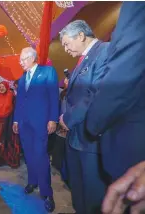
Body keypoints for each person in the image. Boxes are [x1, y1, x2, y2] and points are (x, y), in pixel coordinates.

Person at [85, 2, 145, 184]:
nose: (65, 48)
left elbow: (124, 70)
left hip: (131, 148)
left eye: (66, 43)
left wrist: (94, 123)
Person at [58, 20, 110, 214]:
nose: (65, 49)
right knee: (78, 194)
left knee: (93, 198)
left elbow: (95, 94)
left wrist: (67, 119)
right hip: (76, 139)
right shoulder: (83, 59)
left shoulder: (105, 51)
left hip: (91, 141)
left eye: (66, 43)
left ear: (80, 36)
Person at [13, 47, 59, 212]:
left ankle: (47, 192)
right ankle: (32, 181)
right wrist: (16, 120)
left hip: (41, 123)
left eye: (23, 59)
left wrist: (53, 118)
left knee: (41, 155)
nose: (20, 62)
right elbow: (19, 102)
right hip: (24, 124)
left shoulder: (48, 72)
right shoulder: (22, 78)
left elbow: (54, 96)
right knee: (29, 154)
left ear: (32, 58)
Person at [0, 81, 20, 168]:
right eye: (0, 87)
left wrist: (16, 122)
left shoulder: (12, 96)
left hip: (8, 122)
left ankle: (9, 159)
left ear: (7, 87)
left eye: (3, 86)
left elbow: (16, 109)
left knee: (8, 141)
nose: (1, 88)